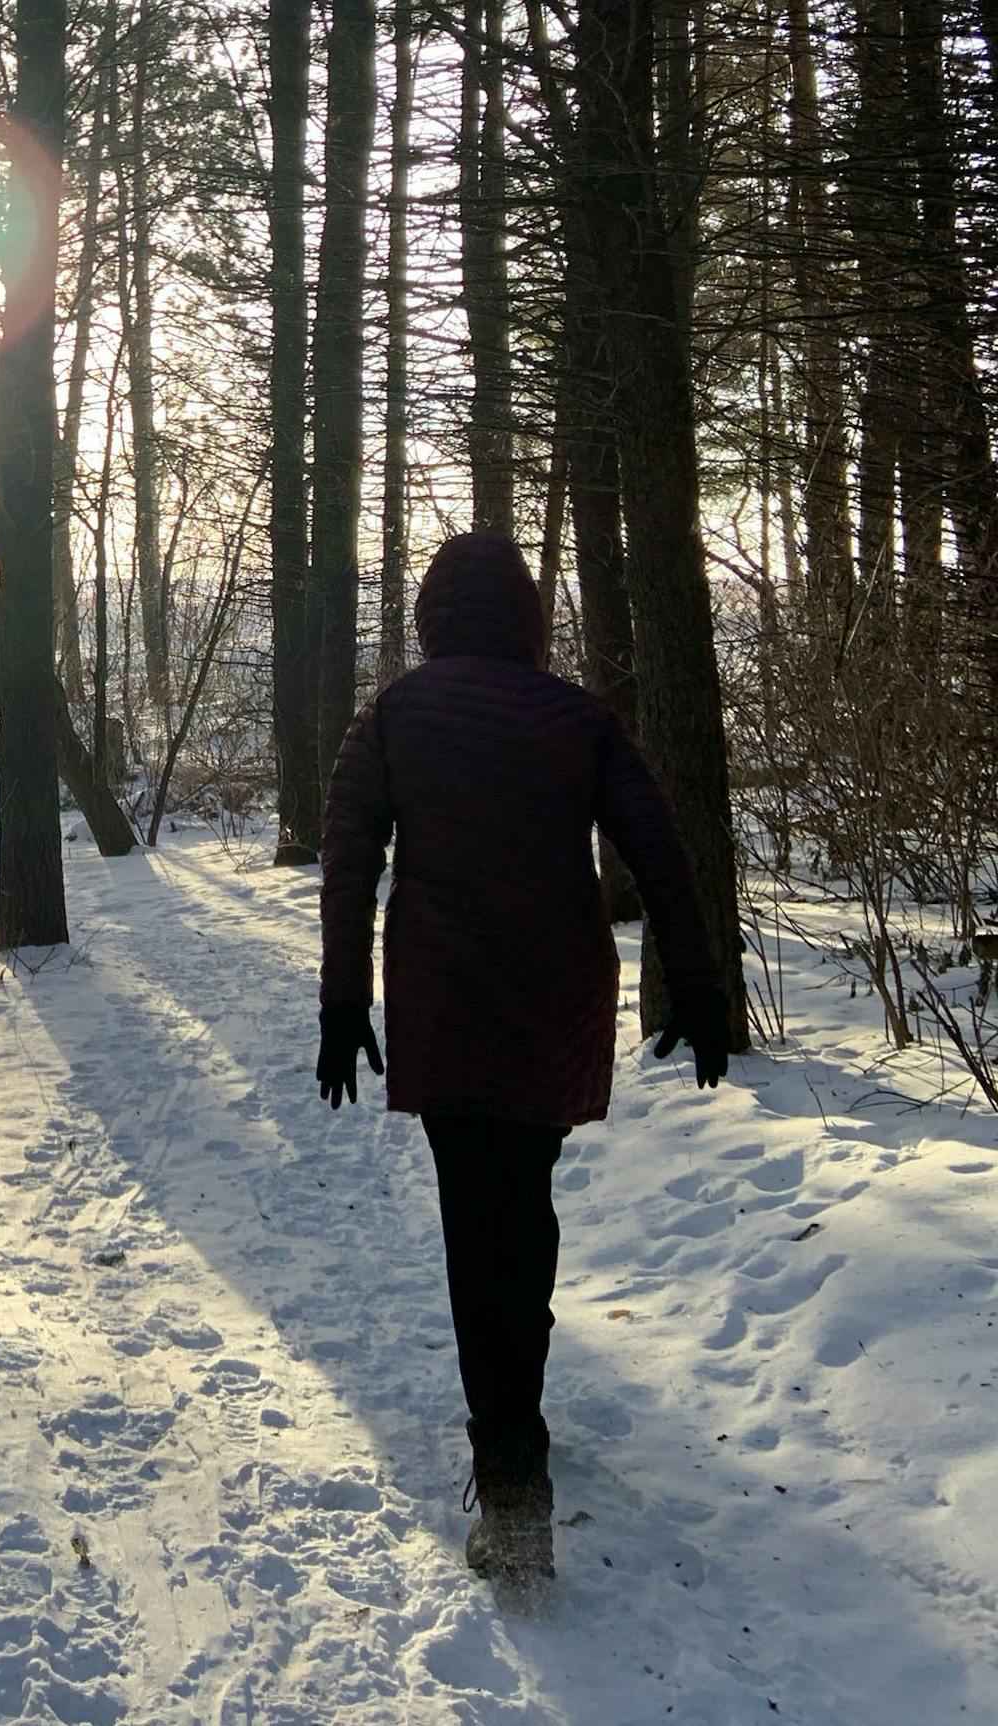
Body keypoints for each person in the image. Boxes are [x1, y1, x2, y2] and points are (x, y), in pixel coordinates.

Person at [313, 531, 731, 1595]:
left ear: (432, 617)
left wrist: (341, 1000)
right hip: (556, 996)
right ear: (527, 618)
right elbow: (660, 849)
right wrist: (697, 981)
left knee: (476, 1221)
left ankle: (512, 1482)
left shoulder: (397, 714)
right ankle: (518, 1415)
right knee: (527, 1204)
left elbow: (350, 857)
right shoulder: (578, 718)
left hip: (448, 999)